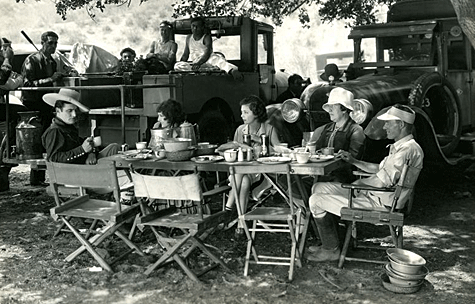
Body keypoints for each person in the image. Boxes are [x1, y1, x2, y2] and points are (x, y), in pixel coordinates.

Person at [307, 104, 424, 262]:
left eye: (389, 123)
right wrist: (354, 161)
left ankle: (331, 249)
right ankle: (333, 240)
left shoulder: (406, 150)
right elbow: (380, 169)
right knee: (319, 187)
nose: (385, 126)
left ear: (401, 124)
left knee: (316, 200)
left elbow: (380, 181)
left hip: (381, 203)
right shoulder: (403, 147)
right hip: (376, 196)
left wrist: (357, 186)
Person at [224, 95, 281, 237]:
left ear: (256, 113)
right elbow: (234, 150)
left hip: (262, 174)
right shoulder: (240, 130)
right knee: (243, 181)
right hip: (242, 174)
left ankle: (228, 208)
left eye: (245, 112)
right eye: (242, 112)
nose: (241, 115)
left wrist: (261, 142)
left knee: (242, 176)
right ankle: (241, 225)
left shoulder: (268, 129)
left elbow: (280, 151)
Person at [21, 31, 64, 186]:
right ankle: (35, 178)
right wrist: (49, 79)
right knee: (35, 142)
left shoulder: (52, 62)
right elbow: (26, 84)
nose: (53, 46)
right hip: (32, 104)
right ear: (43, 43)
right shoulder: (31, 60)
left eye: (55, 43)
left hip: (47, 104)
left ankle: (40, 178)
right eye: (50, 43)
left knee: (46, 139)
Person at [41, 88, 120, 164]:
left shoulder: (68, 127)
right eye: (69, 111)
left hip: (84, 164)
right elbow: (54, 158)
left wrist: (91, 153)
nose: (74, 115)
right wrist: (82, 150)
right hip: (73, 171)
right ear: (58, 110)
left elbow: (84, 144)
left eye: (75, 110)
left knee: (114, 147)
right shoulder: (55, 131)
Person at [309, 87, 365, 183]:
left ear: (344, 109)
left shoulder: (356, 130)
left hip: (342, 180)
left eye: (334, 106)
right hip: (322, 176)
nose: (330, 110)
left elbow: (353, 160)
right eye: (329, 107)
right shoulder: (328, 128)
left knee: (314, 187)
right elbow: (317, 150)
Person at [174, 17, 242, 80]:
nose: (195, 28)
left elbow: (207, 53)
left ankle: (232, 70)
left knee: (217, 59)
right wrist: (182, 63)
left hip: (207, 60)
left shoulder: (206, 37)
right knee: (177, 66)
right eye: (193, 26)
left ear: (202, 27)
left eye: (197, 26)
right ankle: (203, 71)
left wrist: (199, 63)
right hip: (196, 65)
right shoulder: (188, 38)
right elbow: (185, 54)